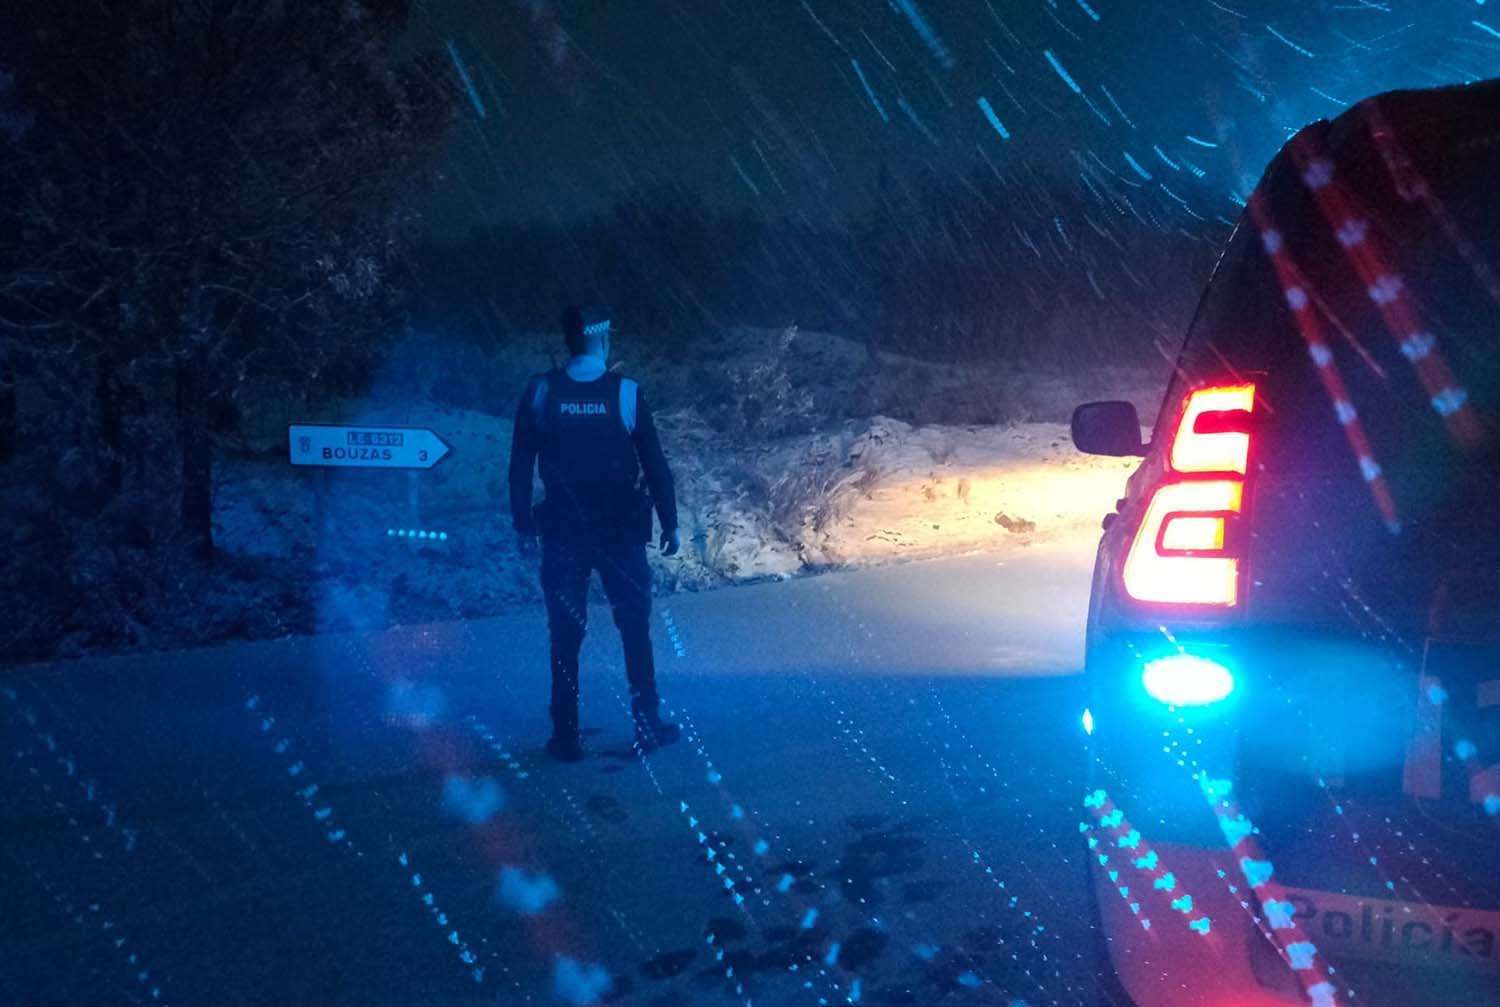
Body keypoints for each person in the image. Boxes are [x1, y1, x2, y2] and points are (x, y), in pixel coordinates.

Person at [508, 307, 683, 761]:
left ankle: (564, 735)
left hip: (564, 531)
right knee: (634, 627)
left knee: (565, 634)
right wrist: (670, 521)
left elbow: (520, 466)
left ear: (568, 341)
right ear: (602, 341)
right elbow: (655, 465)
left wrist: (523, 523)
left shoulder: (542, 391)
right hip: (620, 531)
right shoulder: (625, 393)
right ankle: (647, 725)